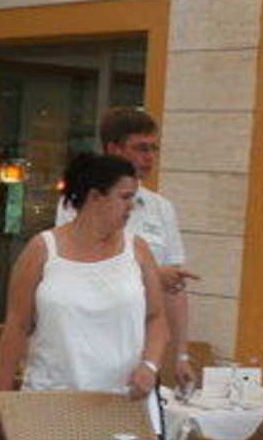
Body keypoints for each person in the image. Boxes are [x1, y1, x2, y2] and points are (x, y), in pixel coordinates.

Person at [0, 152, 168, 401]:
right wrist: (1, 396)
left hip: (123, 399)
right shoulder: (41, 249)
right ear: (95, 197)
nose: (131, 206)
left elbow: (157, 317)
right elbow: (16, 326)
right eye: (124, 197)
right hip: (50, 398)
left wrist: (150, 365)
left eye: (133, 197)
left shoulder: (138, 250)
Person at [60, 106, 193, 388]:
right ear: (114, 149)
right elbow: (77, 274)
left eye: (154, 148)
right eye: (141, 148)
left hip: (144, 350)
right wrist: (155, 275)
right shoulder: (82, 202)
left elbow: (175, 290)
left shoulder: (162, 208)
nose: (150, 157)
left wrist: (181, 354)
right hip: (87, 346)